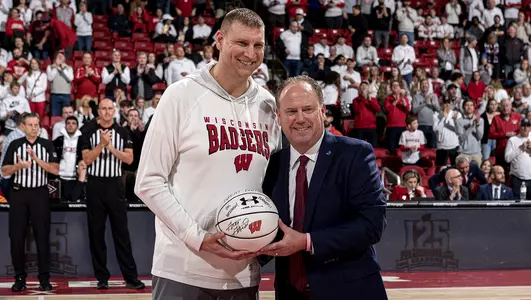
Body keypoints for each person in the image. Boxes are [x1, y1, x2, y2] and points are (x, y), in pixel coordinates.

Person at [134, 8, 282, 300]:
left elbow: (270, 185)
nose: (250, 53)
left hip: (242, 274)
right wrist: (198, 237)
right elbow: (148, 181)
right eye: (241, 43)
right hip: (183, 270)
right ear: (219, 39)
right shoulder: (181, 96)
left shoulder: (267, 106)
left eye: (258, 45)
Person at [260, 75, 387, 300]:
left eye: (307, 109)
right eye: (291, 111)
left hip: (350, 292)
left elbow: (371, 225)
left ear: (322, 111)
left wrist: (307, 241)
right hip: (290, 293)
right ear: (279, 117)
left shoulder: (355, 154)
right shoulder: (273, 164)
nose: (300, 118)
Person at [79, 99, 145, 290]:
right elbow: (87, 159)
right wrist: (101, 145)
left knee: (121, 233)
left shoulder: (123, 132)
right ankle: (102, 277)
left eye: (110, 109)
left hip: (115, 185)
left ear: (114, 111)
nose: (107, 112)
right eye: (104, 109)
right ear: (98, 111)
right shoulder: (87, 130)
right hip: (95, 185)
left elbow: (130, 159)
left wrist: (110, 147)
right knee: (96, 233)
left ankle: (131, 277)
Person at [1, 112, 59, 292]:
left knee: (42, 236)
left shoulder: (47, 144)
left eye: (36, 125)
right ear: (23, 127)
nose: (34, 128)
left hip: (39, 194)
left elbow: (55, 170)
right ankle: (19, 277)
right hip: (18, 194)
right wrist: (19, 166)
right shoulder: (15, 144)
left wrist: (36, 160)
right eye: (30, 125)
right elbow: (4, 171)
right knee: (16, 237)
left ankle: (44, 278)